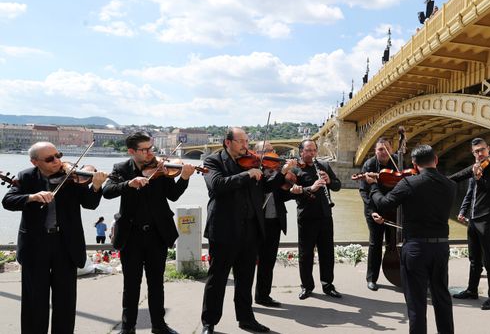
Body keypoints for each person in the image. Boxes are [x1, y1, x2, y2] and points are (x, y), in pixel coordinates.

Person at [2, 142, 107, 333]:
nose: (57, 161)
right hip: (35, 246)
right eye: (50, 159)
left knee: (65, 302)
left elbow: (90, 204)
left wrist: (96, 186)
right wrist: (31, 197)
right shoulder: (26, 176)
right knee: (34, 301)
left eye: (58, 155)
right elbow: (8, 201)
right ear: (35, 162)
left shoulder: (73, 177)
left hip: (66, 246)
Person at [200, 127, 293, 334]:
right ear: (228, 142)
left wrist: (281, 174)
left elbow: (266, 188)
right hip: (224, 229)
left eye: (247, 141)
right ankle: (209, 322)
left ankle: (246, 319)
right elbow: (217, 185)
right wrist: (247, 174)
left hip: (251, 229)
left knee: (245, 279)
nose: (246, 146)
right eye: (241, 141)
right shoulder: (213, 161)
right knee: (217, 279)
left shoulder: (254, 162)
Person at [103, 131, 195, 334]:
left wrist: (185, 178)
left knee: (156, 283)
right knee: (131, 284)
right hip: (131, 235)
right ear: (131, 151)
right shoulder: (122, 169)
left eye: (150, 148)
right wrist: (129, 183)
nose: (149, 153)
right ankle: (128, 327)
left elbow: (173, 196)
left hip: (157, 234)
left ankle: (159, 325)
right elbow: (107, 191)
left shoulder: (161, 169)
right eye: (144, 150)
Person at [364, 144, 455, 334]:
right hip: (441, 248)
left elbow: (383, 204)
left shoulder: (409, 183)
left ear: (414, 163)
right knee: (442, 298)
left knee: (416, 302)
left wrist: (373, 185)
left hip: (416, 248)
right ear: (436, 160)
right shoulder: (451, 185)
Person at [288, 139, 342, 300]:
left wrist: (329, 181)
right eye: (308, 150)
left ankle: (327, 285)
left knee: (327, 253)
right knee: (306, 254)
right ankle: (306, 286)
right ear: (301, 152)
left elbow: (337, 186)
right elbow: (290, 192)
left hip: (325, 216)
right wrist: (309, 189)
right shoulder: (295, 170)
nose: (311, 153)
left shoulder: (324, 166)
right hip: (306, 217)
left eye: (314, 150)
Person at [451, 138, 490, 310]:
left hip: (486, 220)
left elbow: (487, 188)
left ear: (488, 149)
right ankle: (472, 290)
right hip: (473, 219)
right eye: (476, 151)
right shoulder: (476, 167)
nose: (479, 154)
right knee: (474, 259)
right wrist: (438, 181)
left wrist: (478, 176)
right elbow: (458, 178)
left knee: (489, 260)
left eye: (482, 150)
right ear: (472, 153)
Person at [358, 138, 398, 291]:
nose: (383, 152)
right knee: (375, 243)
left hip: (393, 208)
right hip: (374, 209)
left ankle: (397, 273)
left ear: (391, 149)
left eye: (386, 148)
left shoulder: (397, 161)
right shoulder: (369, 165)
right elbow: (364, 192)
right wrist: (373, 212)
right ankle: (371, 278)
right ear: (375, 151)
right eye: (380, 149)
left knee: (394, 242)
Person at [254, 141, 291, 308]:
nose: (272, 154)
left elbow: (281, 196)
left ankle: (263, 295)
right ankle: (245, 300)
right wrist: (281, 173)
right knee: (248, 264)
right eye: (267, 151)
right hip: (256, 223)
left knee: (268, 262)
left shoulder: (276, 170)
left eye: (272, 150)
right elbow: (265, 188)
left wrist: (291, 191)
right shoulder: (255, 171)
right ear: (257, 153)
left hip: (274, 222)